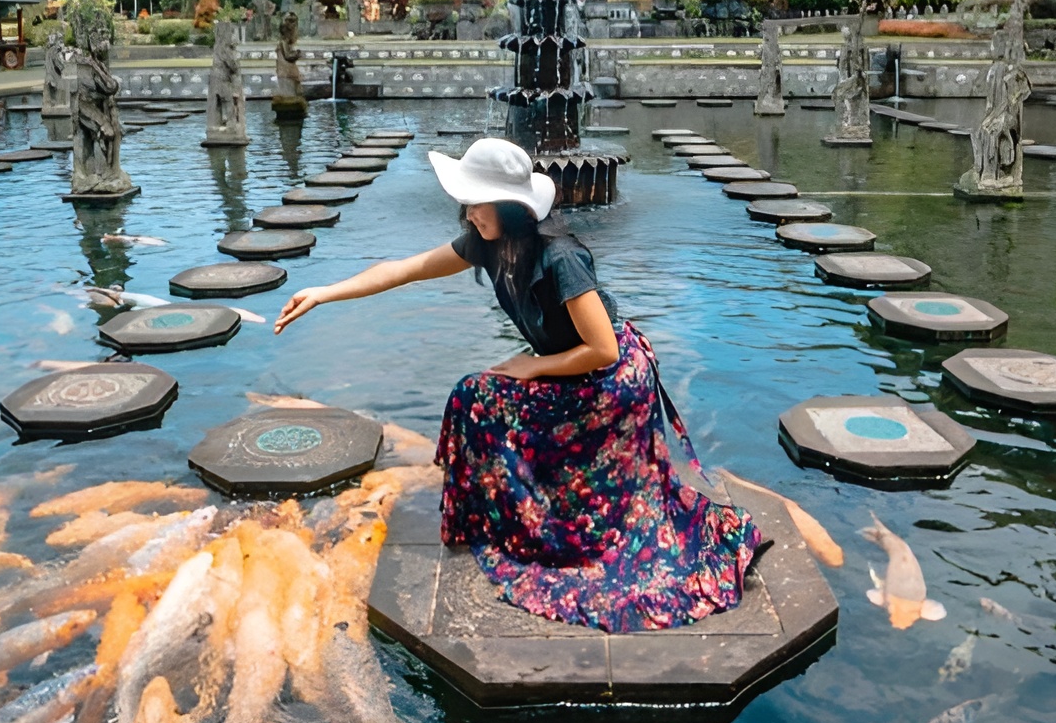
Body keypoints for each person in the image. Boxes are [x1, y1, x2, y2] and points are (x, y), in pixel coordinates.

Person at [274, 137, 762, 632]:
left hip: (609, 382)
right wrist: (324, 293)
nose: (466, 214)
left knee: (482, 397)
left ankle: (547, 526)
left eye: (475, 203)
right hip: (567, 368)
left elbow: (604, 350)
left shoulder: (560, 255)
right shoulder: (489, 242)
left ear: (508, 207)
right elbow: (406, 269)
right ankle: (510, 520)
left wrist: (532, 367)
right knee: (474, 396)